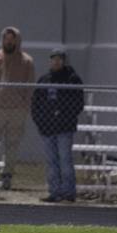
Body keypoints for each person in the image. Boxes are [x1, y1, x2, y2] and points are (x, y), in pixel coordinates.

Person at [0, 26, 35, 190]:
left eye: (12, 39)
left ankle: (7, 175)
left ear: (17, 41)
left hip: (17, 110)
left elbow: (30, 86)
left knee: (12, 144)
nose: (9, 42)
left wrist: (25, 105)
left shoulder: (26, 61)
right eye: (6, 39)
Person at [31, 48, 84, 202]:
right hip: (47, 129)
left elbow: (77, 104)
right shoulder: (44, 80)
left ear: (64, 61)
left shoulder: (72, 79)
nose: (56, 61)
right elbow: (36, 105)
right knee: (51, 162)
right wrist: (41, 122)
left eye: (60, 58)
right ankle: (54, 192)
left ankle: (68, 192)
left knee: (65, 160)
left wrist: (62, 115)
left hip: (65, 128)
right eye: (54, 58)